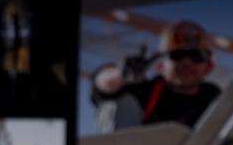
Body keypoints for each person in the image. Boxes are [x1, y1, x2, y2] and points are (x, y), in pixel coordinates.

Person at [91, 20, 221, 131]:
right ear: (160, 66)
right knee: (118, 102)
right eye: (176, 55)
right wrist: (123, 74)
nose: (186, 62)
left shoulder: (213, 96)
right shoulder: (145, 92)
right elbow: (103, 85)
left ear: (209, 66)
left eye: (196, 56)